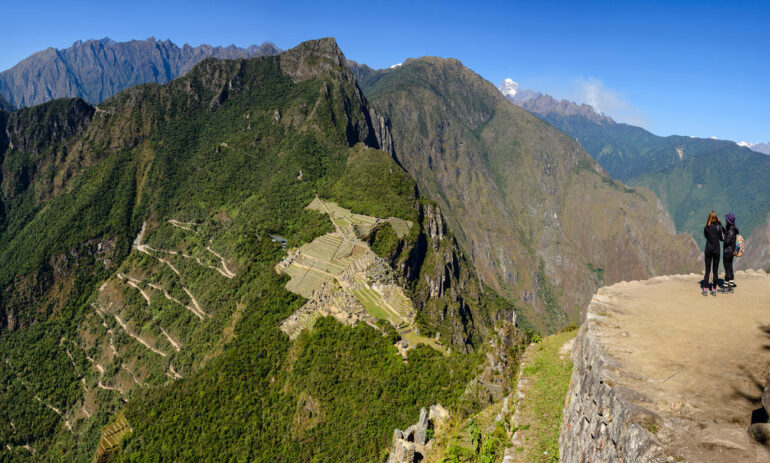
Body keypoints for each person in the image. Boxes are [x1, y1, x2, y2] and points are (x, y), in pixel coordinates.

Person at [702, 210, 722, 296]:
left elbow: (706, 236)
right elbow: (721, 238)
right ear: (716, 218)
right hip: (716, 250)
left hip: (708, 250)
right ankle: (714, 289)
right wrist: (720, 225)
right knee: (715, 271)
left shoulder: (706, 227)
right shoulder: (718, 227)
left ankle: (705, 289)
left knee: (707, 270)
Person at [721, 213, 739, 292]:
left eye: (726, 220)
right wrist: (721, 226)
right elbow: (728, 234)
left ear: (728, 221)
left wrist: (722, 238)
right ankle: (731, 286)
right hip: (731, 251)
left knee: (727, 269)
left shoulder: (731, 230)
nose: (725, 220)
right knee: (730, 268)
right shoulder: (734, 229)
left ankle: (725, 287)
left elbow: (727, 241)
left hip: (727, 252)